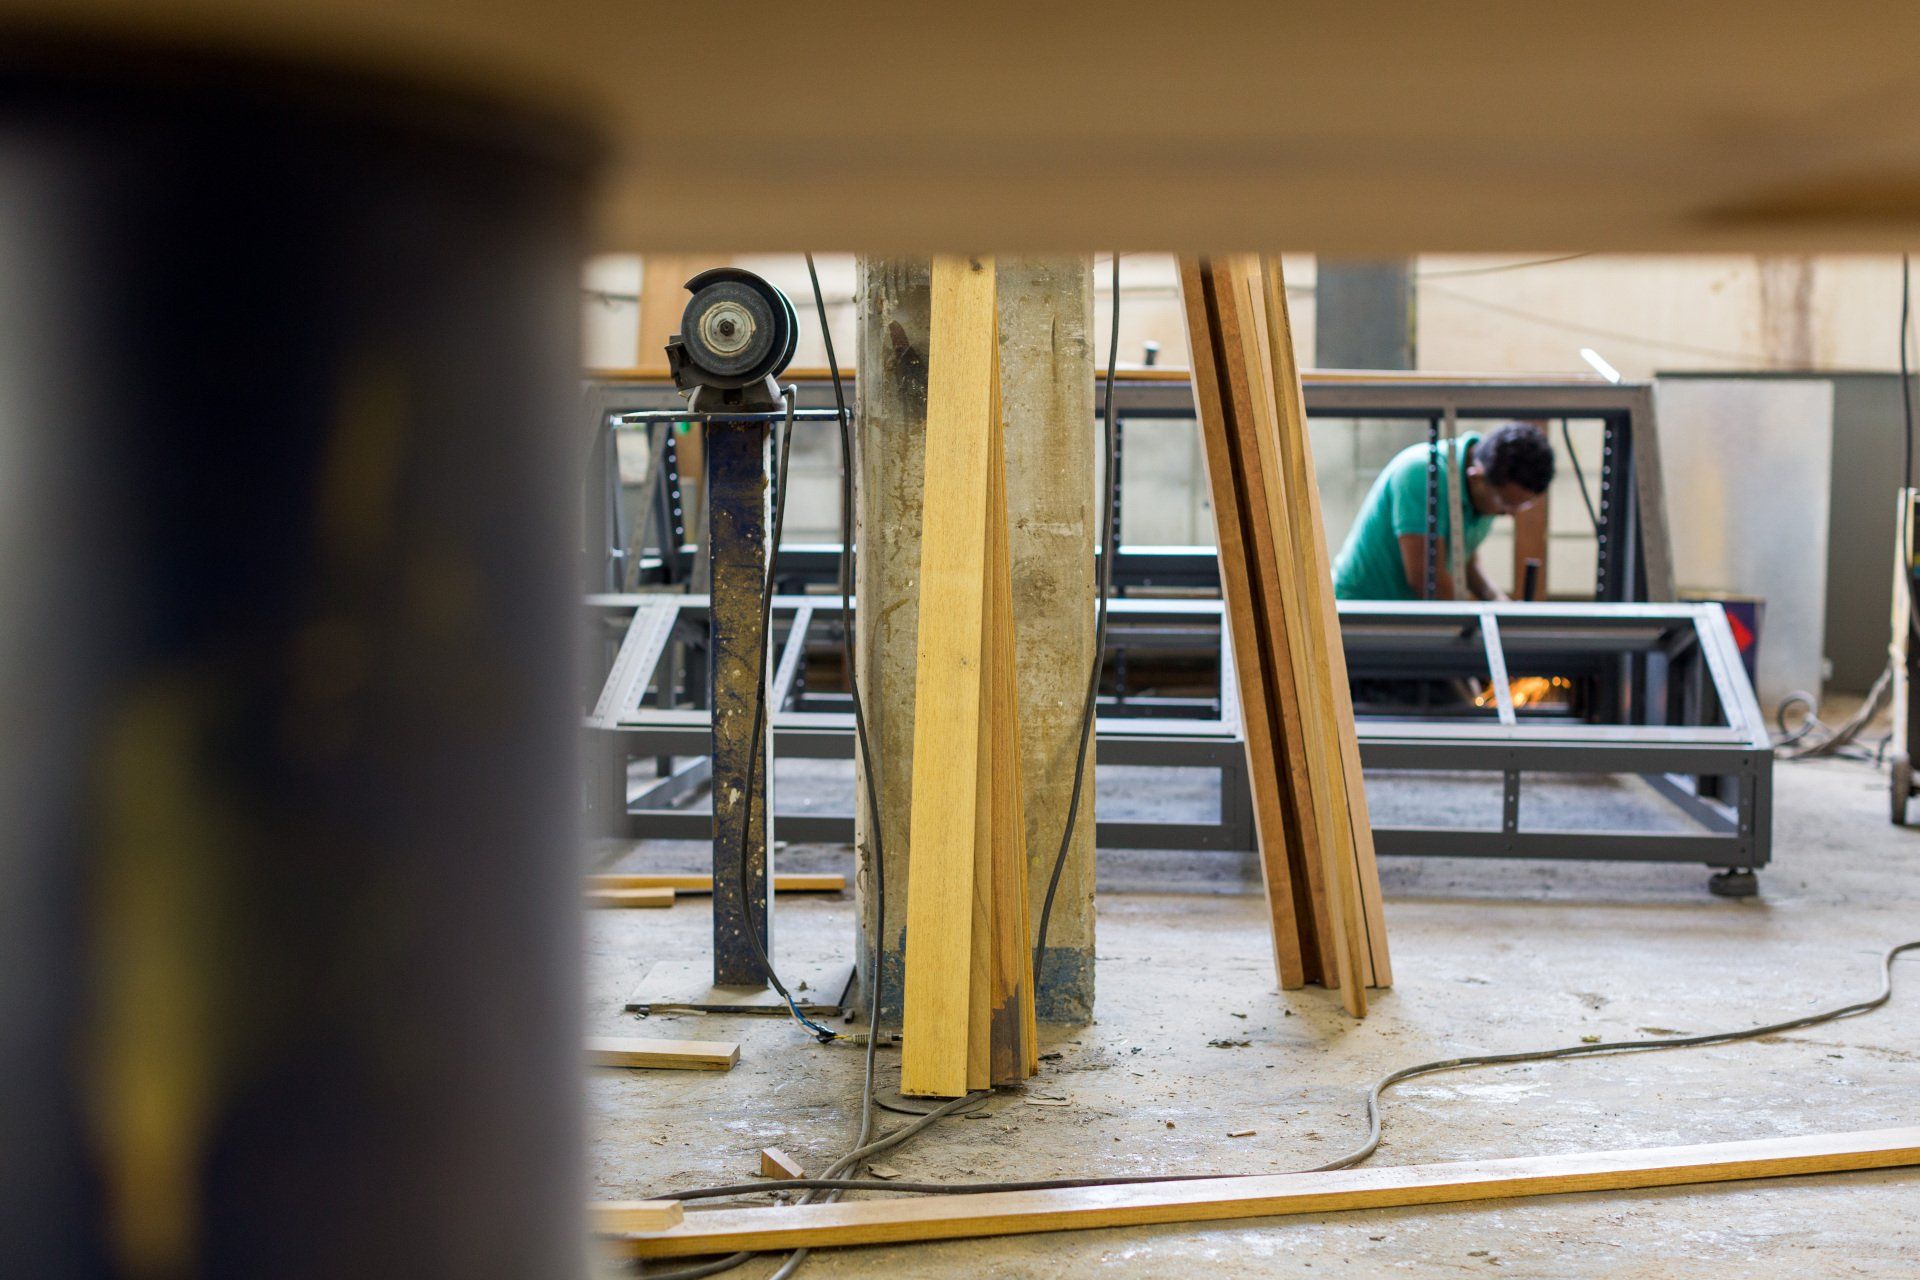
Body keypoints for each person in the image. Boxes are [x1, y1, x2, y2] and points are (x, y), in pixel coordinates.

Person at [1332, 421, 1554, 601]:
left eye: (1519, 506)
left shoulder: (1485, 491)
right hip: (1360, 612)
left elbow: (1463, 558)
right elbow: (1426, 579)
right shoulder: (1422, 474)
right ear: (1476, 477)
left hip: (1408, 617)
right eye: (1506, 504)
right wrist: (1473, 626)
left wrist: (1497, 602)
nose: (1510, 515)